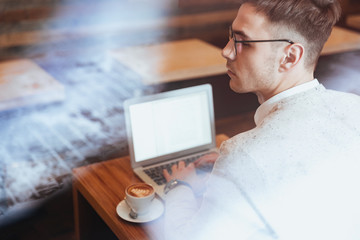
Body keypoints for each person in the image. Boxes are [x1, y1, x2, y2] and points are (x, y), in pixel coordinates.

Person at [161, 0, 360, 239]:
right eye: (231, 35)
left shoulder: (243, 154)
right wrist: (235, 172)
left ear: (289, 57)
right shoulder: (354, 107)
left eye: (242, 40)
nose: (226, 50)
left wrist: (181, 186)